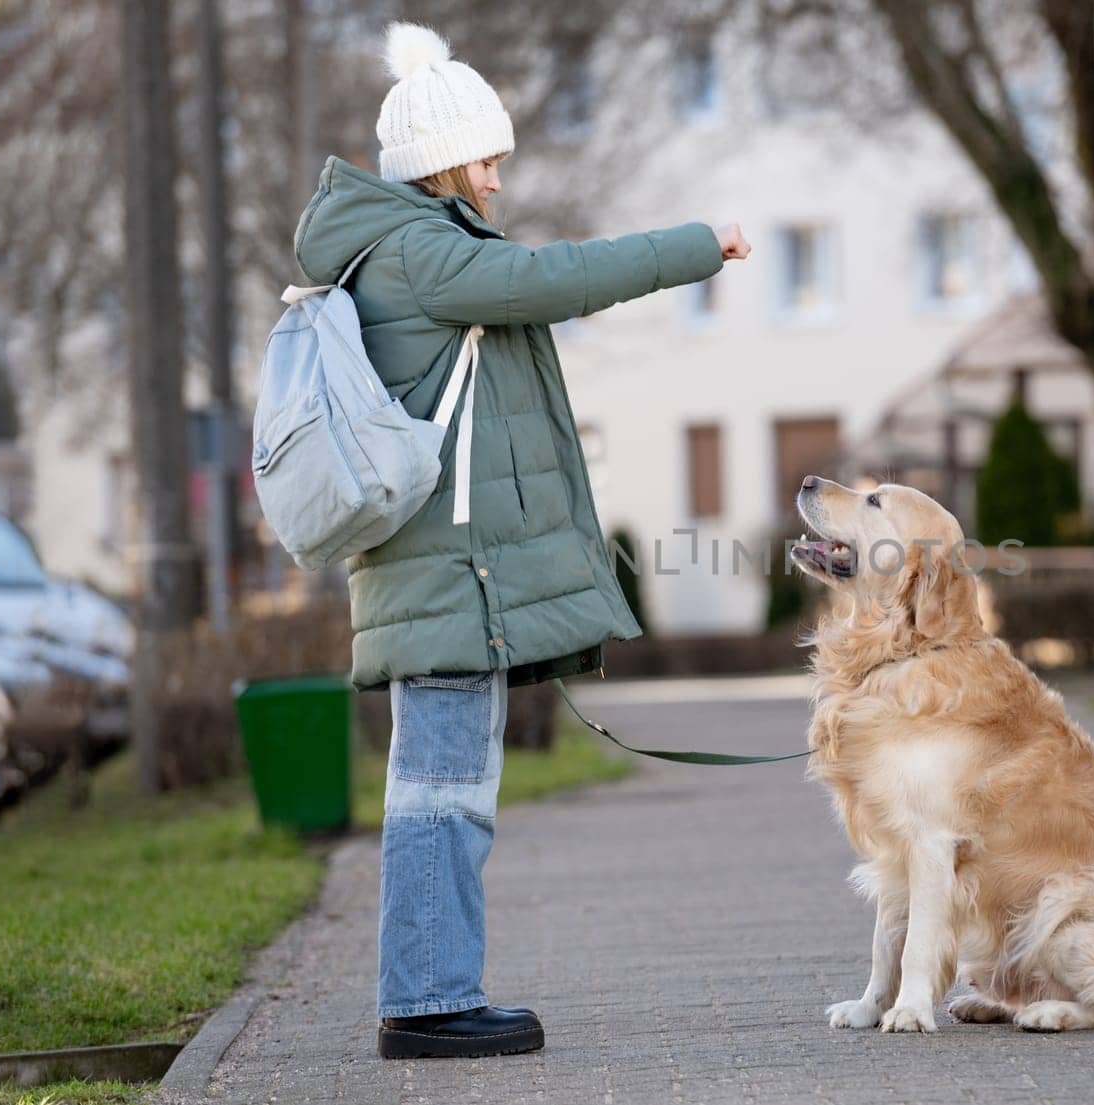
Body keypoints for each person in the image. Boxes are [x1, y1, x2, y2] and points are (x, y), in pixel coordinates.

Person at [290, 21, 750, 1061]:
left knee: (444, 788)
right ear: (442, 159)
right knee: (441, 794)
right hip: (447, 575)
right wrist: (695, 246)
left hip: (449, 572)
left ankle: (433, 990)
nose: (498, 177)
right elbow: (552, 280)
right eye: (486, 156)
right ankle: (428, 1002)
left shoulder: (407, 246)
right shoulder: (420, 251)